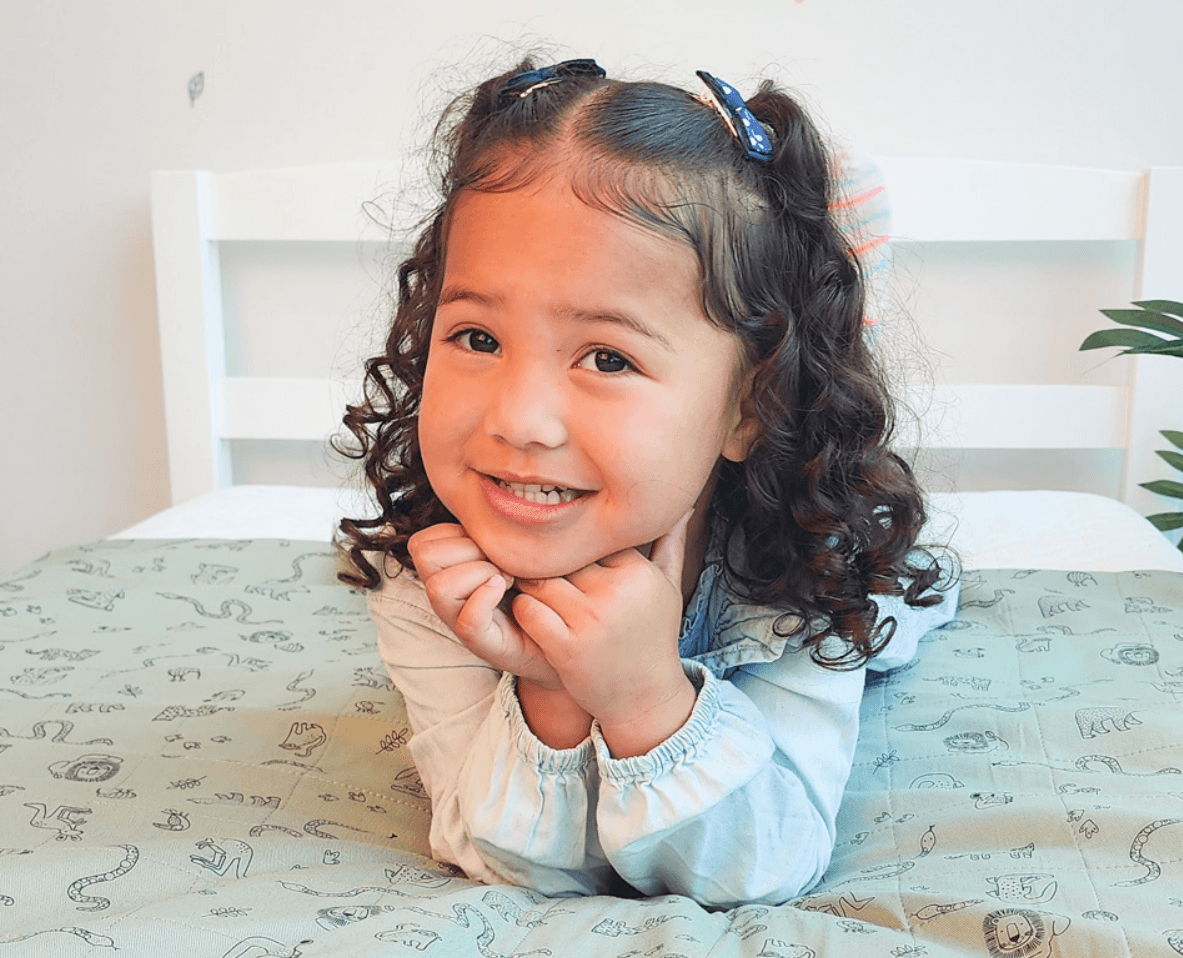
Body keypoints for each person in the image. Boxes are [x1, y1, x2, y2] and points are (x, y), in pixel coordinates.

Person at [336, 57, 958, 909]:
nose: (520, 421)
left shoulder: (804, 580)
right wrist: (552, 690)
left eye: (607, 357)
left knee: (906, 598)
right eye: (478, 338)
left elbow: (769, 862)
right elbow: (513, 869)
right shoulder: (431, 582)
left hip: (794, 532)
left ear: (749, 405)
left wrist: (645, 704)